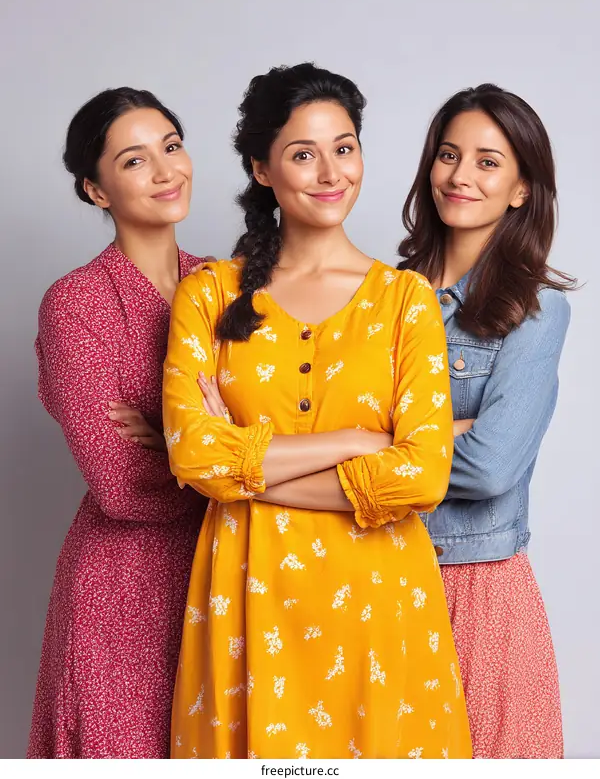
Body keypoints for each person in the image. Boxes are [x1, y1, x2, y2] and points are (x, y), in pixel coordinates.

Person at [163, 63, 472, 759]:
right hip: (247, 600)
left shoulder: (405, 301)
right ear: (262, 168)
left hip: (378, 606)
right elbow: (192, 455)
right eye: (303, 153)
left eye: (345, 146)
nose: (331, 171)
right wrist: (358, 440)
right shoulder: (209, 295)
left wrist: (244, 470)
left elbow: (421, 479)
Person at [28, 88, 212, 759]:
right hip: (124, 594)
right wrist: (220, 446)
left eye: (171, 146)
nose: (167, 172)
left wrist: (167, 432)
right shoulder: (77, 303)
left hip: (228, 578)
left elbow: (286, 433)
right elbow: (123, 488)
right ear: (96, 189)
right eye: (135, 161)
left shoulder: (230, 287)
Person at [397, 83, 575, 759]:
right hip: (373, 573)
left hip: (476, 586)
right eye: (448, 155)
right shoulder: (378, 299)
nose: (461, 175)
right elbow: (312, 428)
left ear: (522, 190)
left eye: (488, 161)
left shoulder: (535, 311)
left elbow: (491, 466)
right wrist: (443, 434)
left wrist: (371, 442)